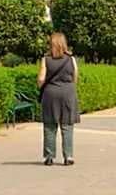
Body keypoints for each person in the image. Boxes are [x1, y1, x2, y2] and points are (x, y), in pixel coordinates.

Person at [37, 31, 79, 166]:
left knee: (50, 125)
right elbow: (75, 77)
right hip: (68, 94)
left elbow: (41, 79)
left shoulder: (46, 59)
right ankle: (69, 156)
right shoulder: (71, 59)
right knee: (67, 125)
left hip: (51, 95)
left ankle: (49, 157)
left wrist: (40, 85)